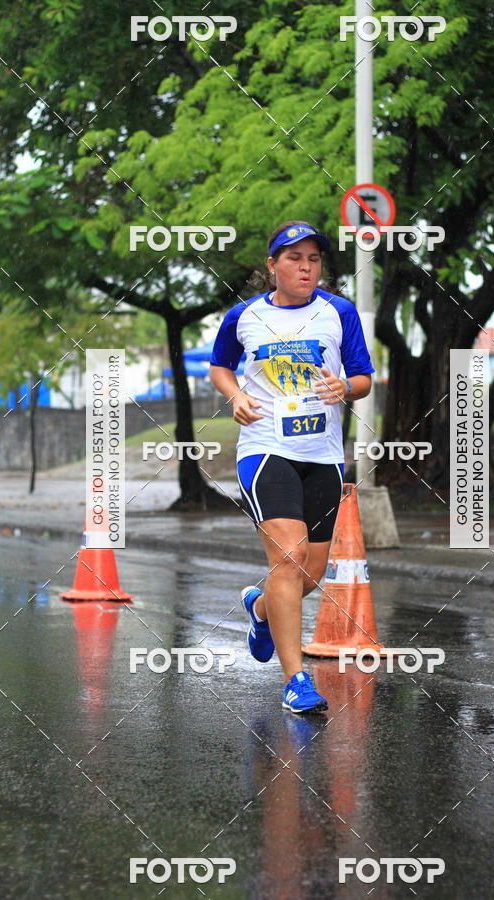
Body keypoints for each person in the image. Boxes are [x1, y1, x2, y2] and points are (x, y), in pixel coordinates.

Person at [210, 221, 374, 713]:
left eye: (314, 260)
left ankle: (260, 608)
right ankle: (296, 680)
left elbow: (363, 377)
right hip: (265, 452)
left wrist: (346, 388)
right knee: (289, 558)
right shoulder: (243, 316)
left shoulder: (338, 312)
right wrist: (236, 394)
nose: (306, 268)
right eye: (294, 258)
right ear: (272, 266)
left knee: (310, 572)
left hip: (323, 456)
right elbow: (220, 365)